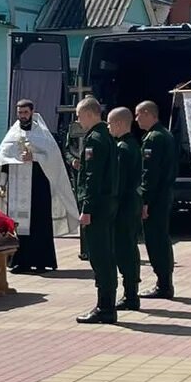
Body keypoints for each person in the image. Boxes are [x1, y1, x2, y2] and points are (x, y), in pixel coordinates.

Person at [0, 99, 80, 274]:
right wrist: (2, 182)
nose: (22, 115)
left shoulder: (43, 135)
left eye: (25, 112)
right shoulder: (12, 135)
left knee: (39, 224)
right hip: (17, 188)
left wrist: (36, 157)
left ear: (32, 112)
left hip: (38, 186)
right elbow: (3, 160)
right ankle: (19, 262)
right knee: (18, 225)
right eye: (19, 112)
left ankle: (41, 261)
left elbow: (54, 159)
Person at [74, 97, 119, 325]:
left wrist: (86, 208)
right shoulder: (108, 137)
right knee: (107, 256)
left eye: (79, 115)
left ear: (90, 114)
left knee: (100, 257)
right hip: (108, 204)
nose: (77, 120)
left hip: (98, 207)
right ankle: (106, 304)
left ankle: (105, 308)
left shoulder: (94, 140)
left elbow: (93, 179)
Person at [135, 100, 176, 300]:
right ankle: (165, 281)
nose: (136, 119)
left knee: (155, 240)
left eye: (138, 115)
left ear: (147, 113)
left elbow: (149, 174)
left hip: (156, 199)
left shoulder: (153, 138)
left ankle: (163, 284)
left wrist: (145, 201)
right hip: (164, 195)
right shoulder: (165, 135)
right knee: (162, 238)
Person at [107, 107, 143, 309]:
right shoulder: (133, 144)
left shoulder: (122, 148)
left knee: (124, 250)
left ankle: (130, 295)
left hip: (124, 206)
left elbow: (118, 182)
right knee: (129, 247)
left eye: (110, 123)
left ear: (119, 124)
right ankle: (132, 293)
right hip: (132, 203)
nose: (109, 127)